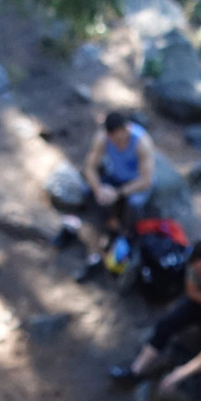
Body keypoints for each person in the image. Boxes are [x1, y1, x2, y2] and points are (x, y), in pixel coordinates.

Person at [110, 239, 201, 385]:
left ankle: (181, 375)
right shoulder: (195, 264)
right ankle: (136, 371)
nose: (200, 274)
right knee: (167, 322)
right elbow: (191, 291)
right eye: (198, 271)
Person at [78, 112, 156, 283]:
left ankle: (126, 238)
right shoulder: (103, 138)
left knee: (134, 204)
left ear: (125, 129)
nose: (116, 142)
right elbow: (89, 168)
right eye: (112, 138)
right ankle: (105, 229)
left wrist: (118, 193)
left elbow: (146, 181)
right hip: (116, 177)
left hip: (136, 183)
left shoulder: (142, 143)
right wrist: (98, 189)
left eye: (118, 138)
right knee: (88, 192)